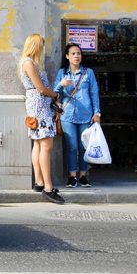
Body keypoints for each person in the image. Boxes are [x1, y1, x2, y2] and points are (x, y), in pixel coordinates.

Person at [20, 33, 64, 204]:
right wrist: (56, 94)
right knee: (46, 145)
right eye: (41, 45)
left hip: (36, 106)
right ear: (35, 46)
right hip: (40, 107)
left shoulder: (28, 62)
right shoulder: (29, 63)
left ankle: (39, 182)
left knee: (38, 144)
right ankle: (48, 188)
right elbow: (41, 88)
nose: (43, 49)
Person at [54, 43, 101, 188]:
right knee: (72, 147)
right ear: (67, 56)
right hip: (67, 115)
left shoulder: (88, 73)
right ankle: (72, 176)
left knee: (84, 147)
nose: (76, 56)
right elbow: (54, 94)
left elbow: (94, 93)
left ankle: (83, 176)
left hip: (86, 115)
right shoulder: (62, 73)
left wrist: (97, 112)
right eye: (73, 53)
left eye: (79, 53)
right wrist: (60, 84)